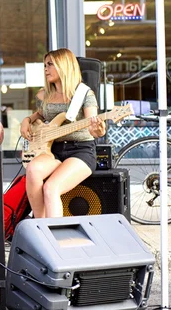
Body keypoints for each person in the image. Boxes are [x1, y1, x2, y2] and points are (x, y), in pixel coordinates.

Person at [19, 48, 106, 219]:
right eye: (45, 65)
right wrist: (26, 121)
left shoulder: (84, 93)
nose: (46, 69)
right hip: (52, 150)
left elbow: (93, 125)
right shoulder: (44, 95)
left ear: (64, 65)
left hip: (80, 151)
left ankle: (54, 238)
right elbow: (39, 116)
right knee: (33, 169)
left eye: (50, 64)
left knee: (51, 188)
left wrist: (98, 129)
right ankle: (40, 225)